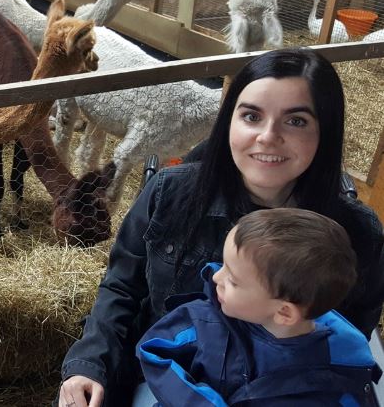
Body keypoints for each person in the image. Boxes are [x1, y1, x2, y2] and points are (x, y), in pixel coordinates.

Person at [57, 48, 384, 407]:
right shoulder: (170, 194)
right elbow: (121, 289)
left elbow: (346, 341)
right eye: (251, 116)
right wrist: (90, 365)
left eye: (296, 121)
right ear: (230, 120)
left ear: (326, 130)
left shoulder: (356, 234)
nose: (267, 136)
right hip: (165, 371)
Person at [137, 208, 380, 406]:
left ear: (284, 312)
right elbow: (153, 351)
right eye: (223, 265)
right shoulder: (205, 320)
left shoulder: (338, 375)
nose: (216, 278)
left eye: (233, 280)